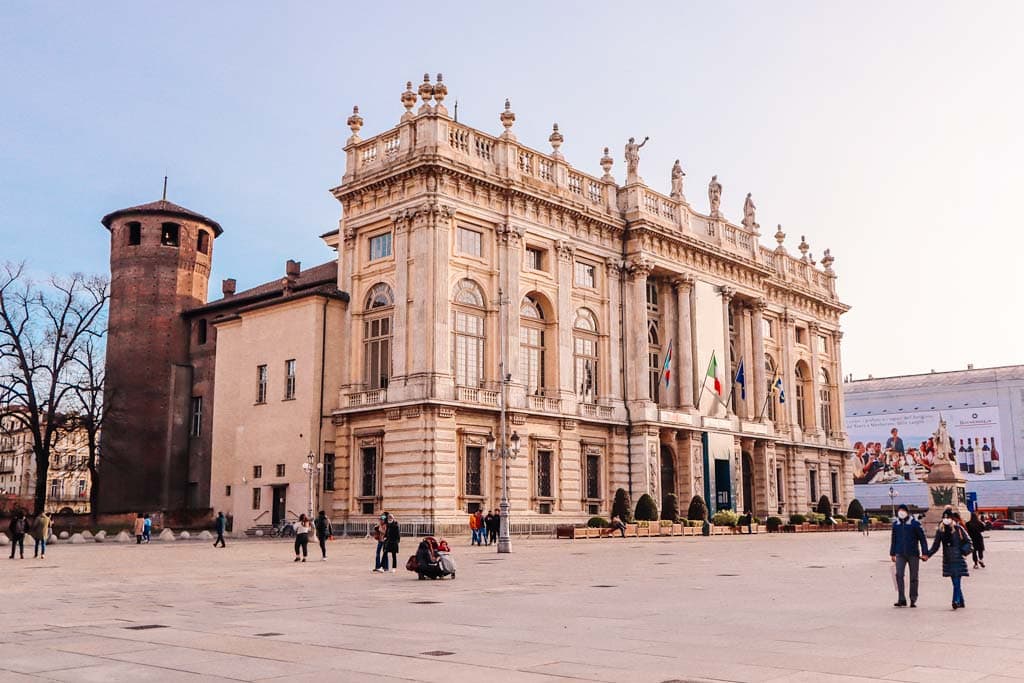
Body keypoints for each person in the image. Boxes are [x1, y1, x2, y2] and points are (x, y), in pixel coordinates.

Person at [925, 509, 970, 609]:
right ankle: (961, 601)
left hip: (958, 558)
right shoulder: (941, 531)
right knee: (955, 581)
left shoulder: (958, 529)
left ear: (952, 518)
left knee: (956, 580)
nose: (946, 519)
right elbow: (935, 546)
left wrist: (963, 551)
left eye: (948, 517)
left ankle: (956, 601)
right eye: (944, 518)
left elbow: (968, 542)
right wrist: (927, 555)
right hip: (948, 559)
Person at [889, 503, 928, 608]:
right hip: (900, 553)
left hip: (913, 554)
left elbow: (922, 539)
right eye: (899, 510)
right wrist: (892, 553)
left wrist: (925, 553)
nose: (901, 512)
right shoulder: (896, 524)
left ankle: (913, 598)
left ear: (907, 512)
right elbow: (893, 540)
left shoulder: (914, 523)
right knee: (899, 575)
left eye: (903, 510)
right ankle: (901, 598)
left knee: (914, 577)